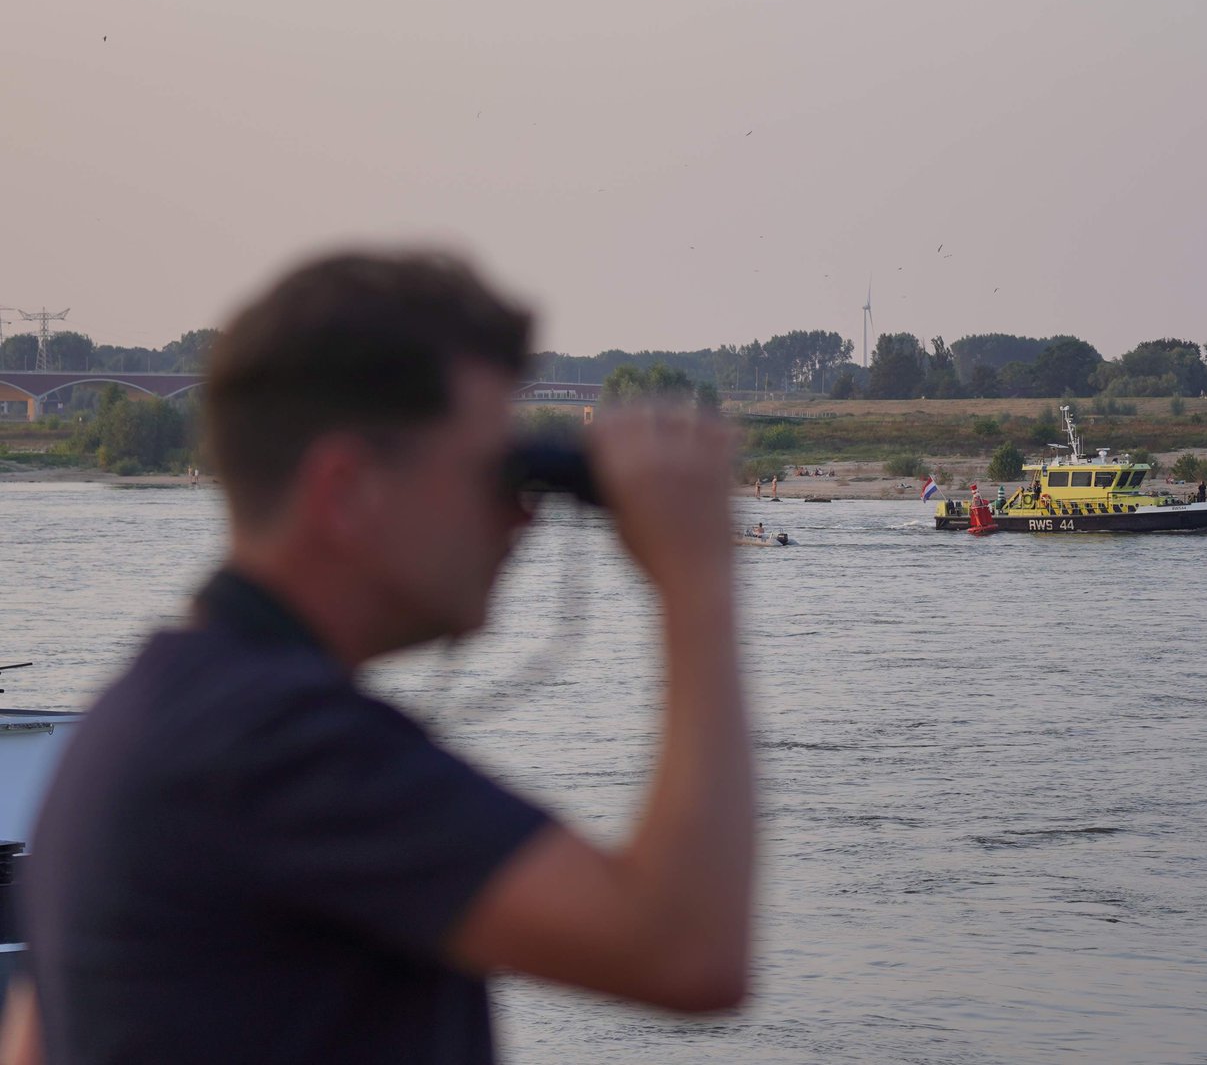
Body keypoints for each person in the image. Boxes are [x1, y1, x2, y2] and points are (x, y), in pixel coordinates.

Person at [4, 252, 753, 1065]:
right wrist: (697, 579)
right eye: (495, 474)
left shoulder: (132, 723)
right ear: (347, 488)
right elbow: (688, 950)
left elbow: (33, 1044)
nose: (523, 520)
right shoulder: (284, 747)